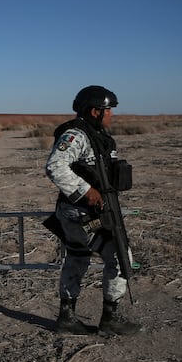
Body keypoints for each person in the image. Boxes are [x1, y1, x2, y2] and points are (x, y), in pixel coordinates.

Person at [45, 85, 141, 335]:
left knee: (77, 257)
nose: (111, 115)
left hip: (84, 212)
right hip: (81, 213)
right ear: (95, 111)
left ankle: (67, 318)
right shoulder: (76, 135)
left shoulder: (96, 135)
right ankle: (110, 319)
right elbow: (55, 166)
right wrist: (86, 191)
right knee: (120, 256)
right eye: (108, 110)